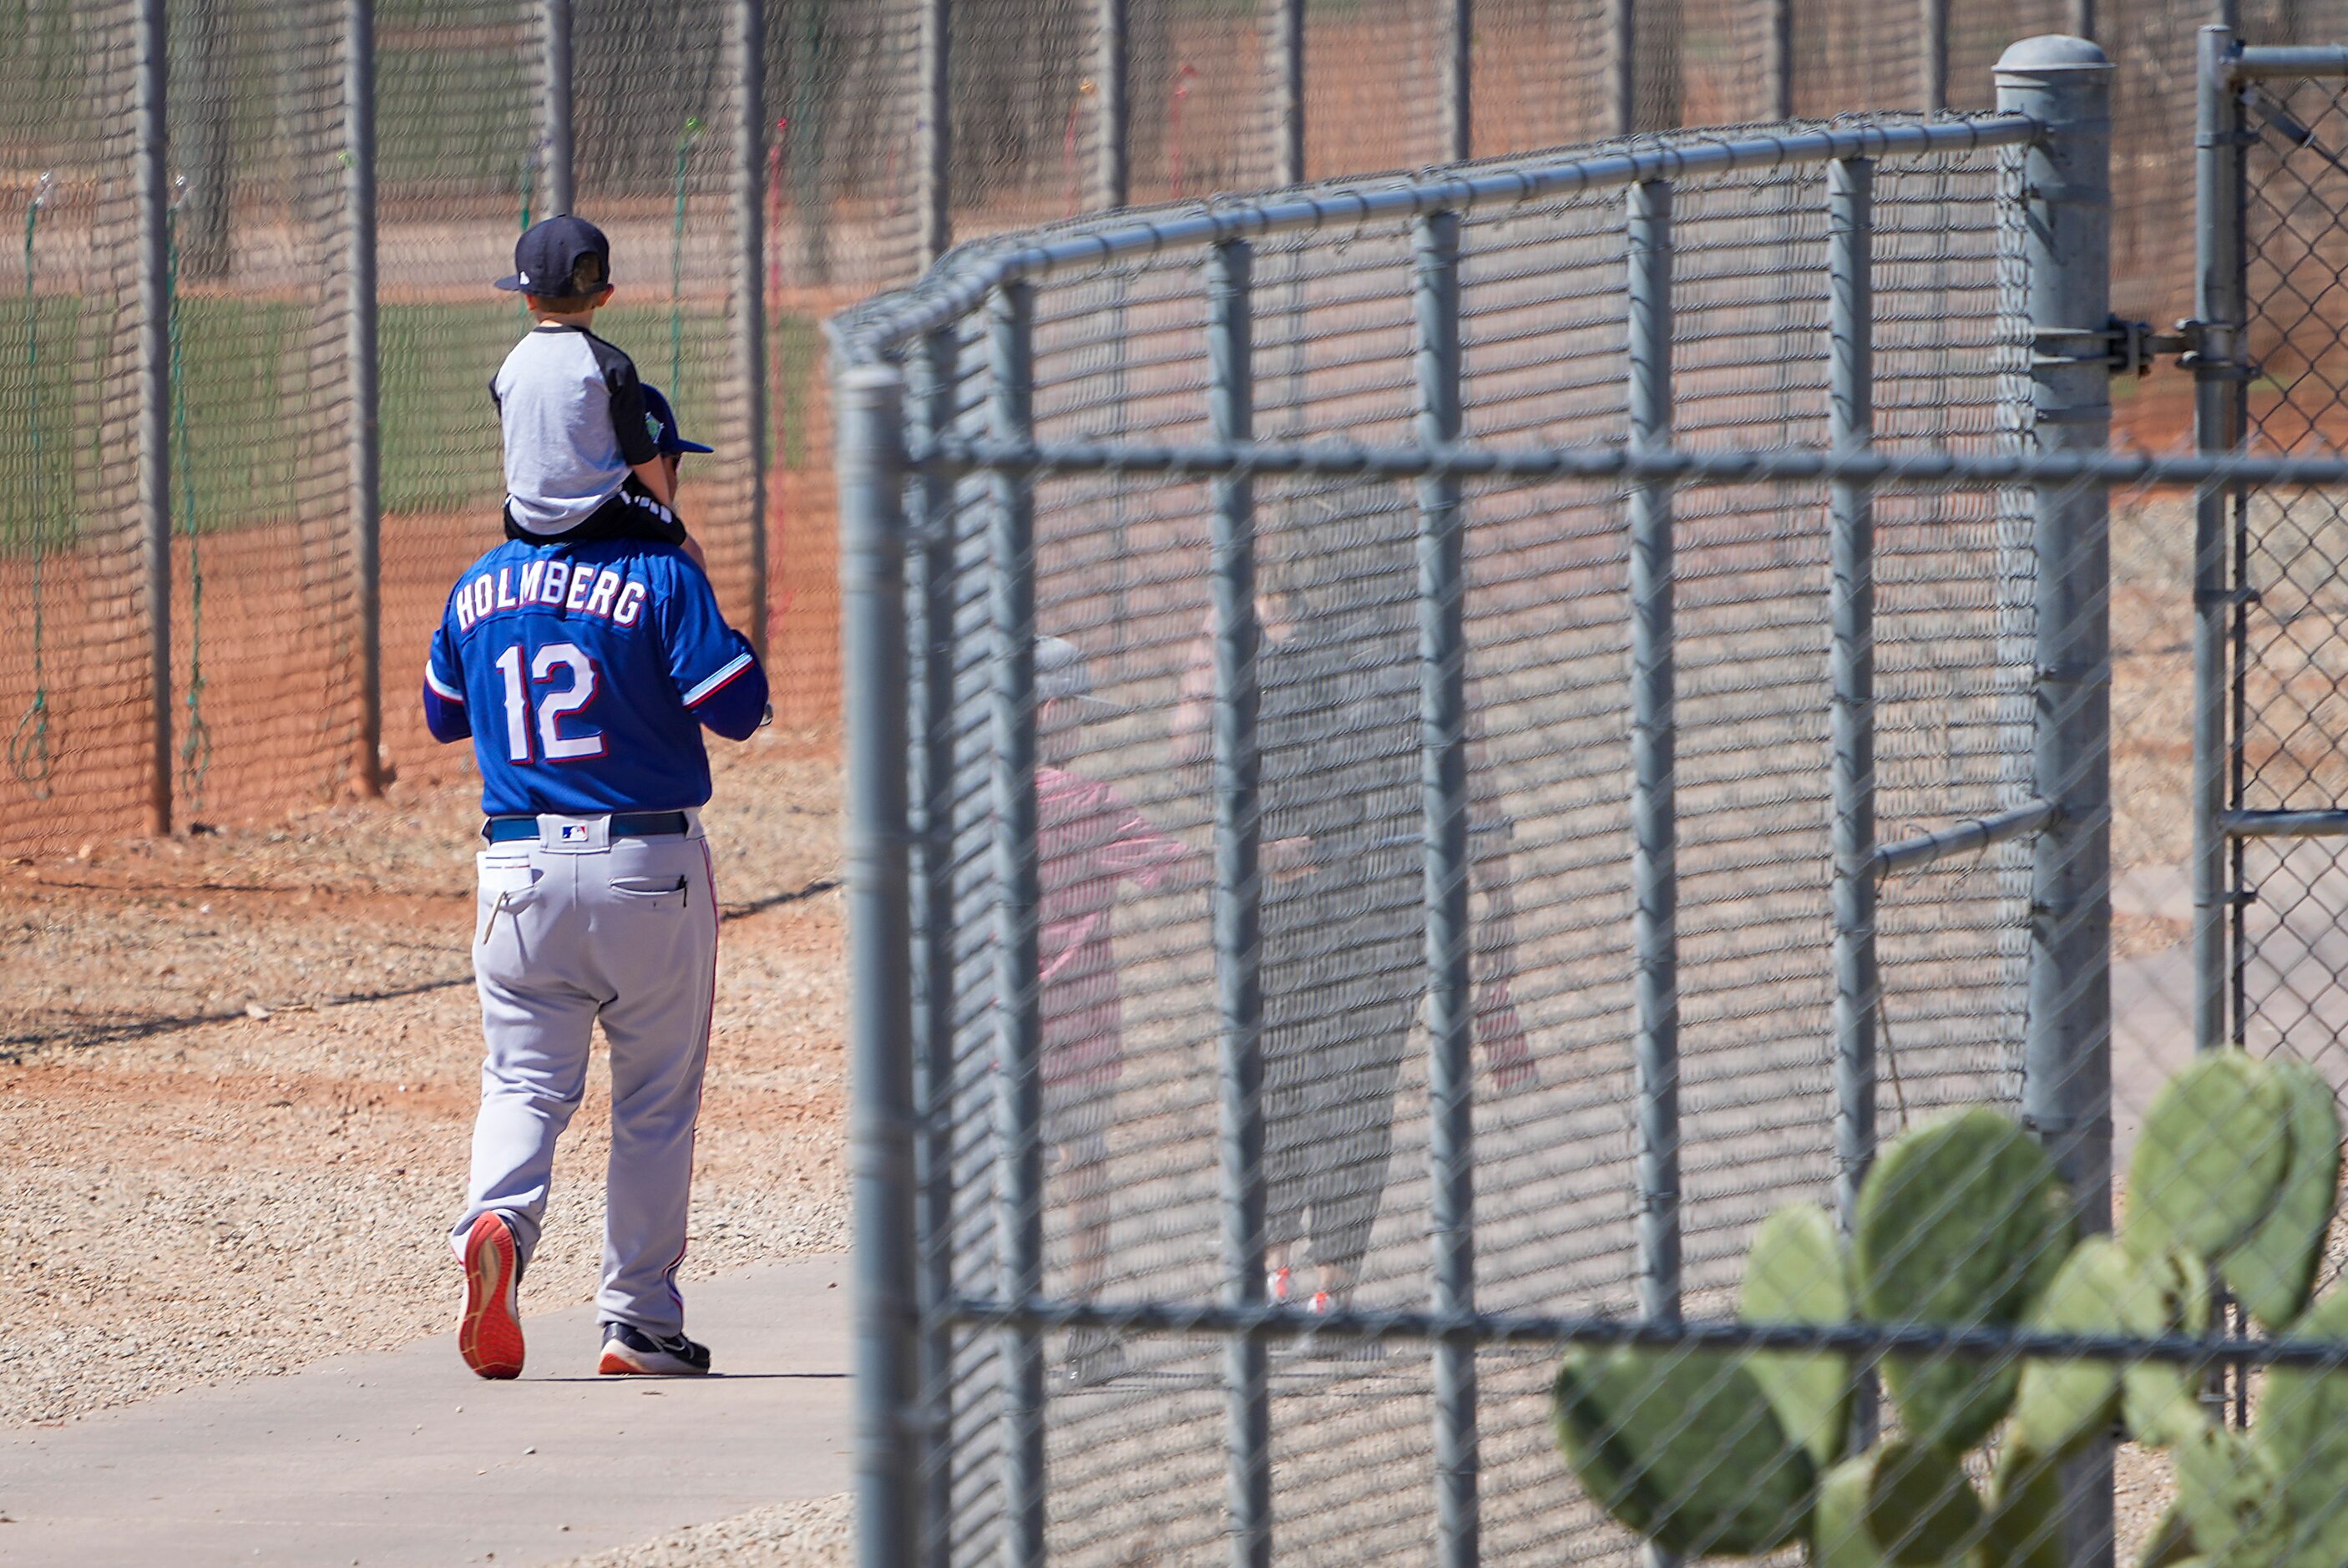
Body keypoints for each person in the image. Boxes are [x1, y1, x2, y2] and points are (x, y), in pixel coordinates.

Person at [424, 293, 768, 1381]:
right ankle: (638, 1317)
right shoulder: (663, 575)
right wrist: (688, 558)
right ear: (635, 467)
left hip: (516, 872)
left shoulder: (480, 581)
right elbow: (739, 706)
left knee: (523, 1083)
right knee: (655, 1099)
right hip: (644, 870)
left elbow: (442, 712)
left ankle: (499, 1228)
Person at [1171, 493, 1526, 1328]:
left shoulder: (1245, 626)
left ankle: (1272, 1273)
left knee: (1277, 1077)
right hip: (1395, 895)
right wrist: (1501, 903)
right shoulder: (1427, 640)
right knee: (1359, 1089)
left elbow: (1187, 745)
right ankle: (1334, 1289)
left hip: (1280, 890)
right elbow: (1479, 787)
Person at [1032, 636, 1194, 1385]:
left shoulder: (961, 799)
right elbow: (1176, 866)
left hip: (983, 1024)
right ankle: (1086, 1328)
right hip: (1077, 1018)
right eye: (1078, 719)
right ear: (1053, 712)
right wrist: (1277, 853)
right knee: (1084, 1163)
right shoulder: (1086, 802)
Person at [489, 215, 692, 557]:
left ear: (528, 298)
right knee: (686, 549)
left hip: (521, 521)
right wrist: (665, 505)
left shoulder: (508, 368)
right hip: (598, 515)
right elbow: (639, 450)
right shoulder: (611, 364)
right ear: (604, 296)